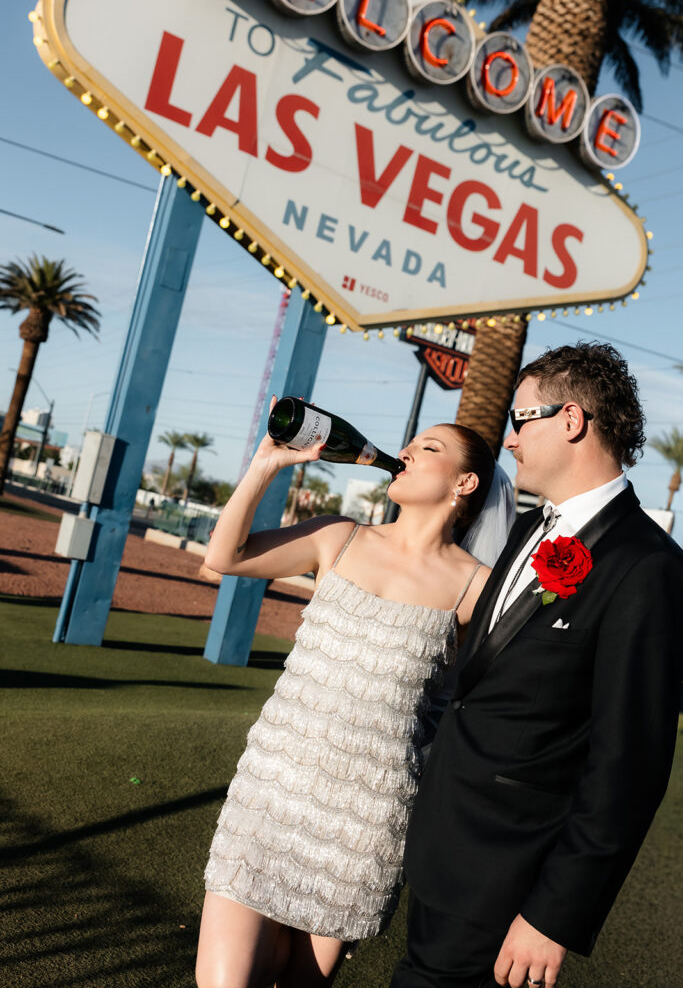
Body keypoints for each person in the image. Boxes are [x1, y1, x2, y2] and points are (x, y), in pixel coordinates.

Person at [392, 342, 683, 988]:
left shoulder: (647, 569)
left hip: (509, 876)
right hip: (446, 847)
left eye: (521, 420)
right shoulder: (529, 531)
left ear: (572, 420)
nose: (510, 441)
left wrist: (552, 914)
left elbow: (627, 765)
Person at [195, 400, 514, 988]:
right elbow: (224, 557)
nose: (409, 451)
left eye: (431, 448)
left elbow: (495, 701)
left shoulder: (477, 588)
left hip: (366, 815)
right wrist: (265, 465)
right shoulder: (339, 537)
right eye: (411, 443)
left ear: (465, 483)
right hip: (272, 788)